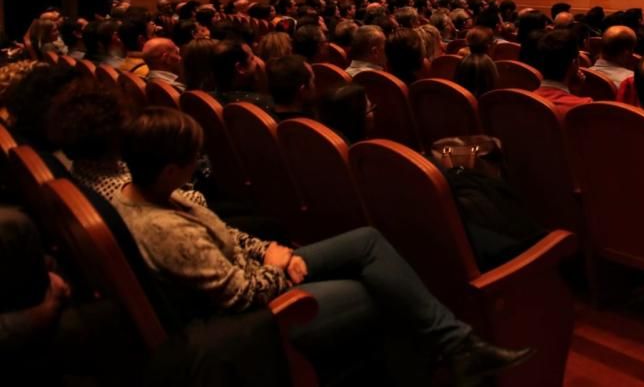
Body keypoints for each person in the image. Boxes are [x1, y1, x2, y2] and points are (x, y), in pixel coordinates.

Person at [113, 108, 533, 385]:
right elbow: (237, 294)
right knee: (378, 287)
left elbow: (227, 234)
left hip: (261, 268)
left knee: (368, 243)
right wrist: (278, 267)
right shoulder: (167, 231)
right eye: (192, 158)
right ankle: (450, 351)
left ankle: (457, 346)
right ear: (170, 169)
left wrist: (268, 250)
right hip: (260, 312)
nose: (200, 163)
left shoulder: (149, 190)